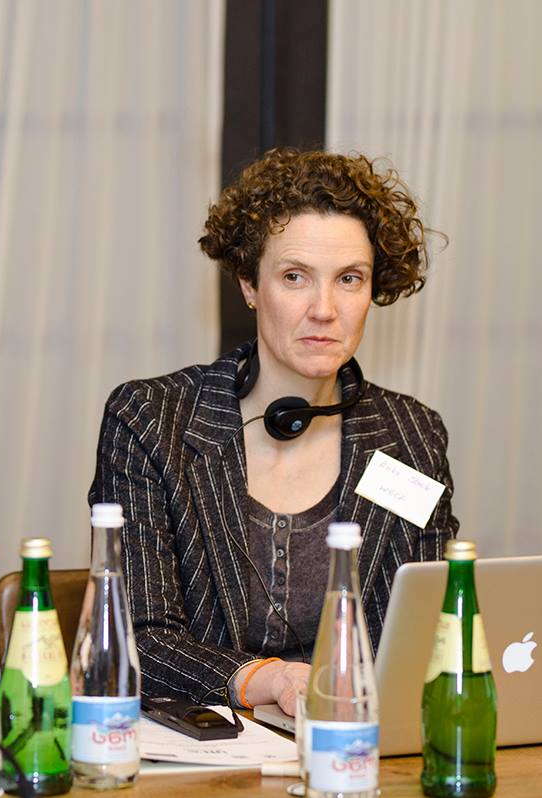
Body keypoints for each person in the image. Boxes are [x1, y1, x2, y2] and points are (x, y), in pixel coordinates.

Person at [88, 148, 459, 716]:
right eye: (294, 277)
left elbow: (430, 631)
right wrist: (266, 678)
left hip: (357, 737)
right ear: (249, 284)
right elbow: (137, 634)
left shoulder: (412, 437)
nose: (324, 309)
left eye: (349, 279)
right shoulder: (152, 421)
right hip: (203, 740)